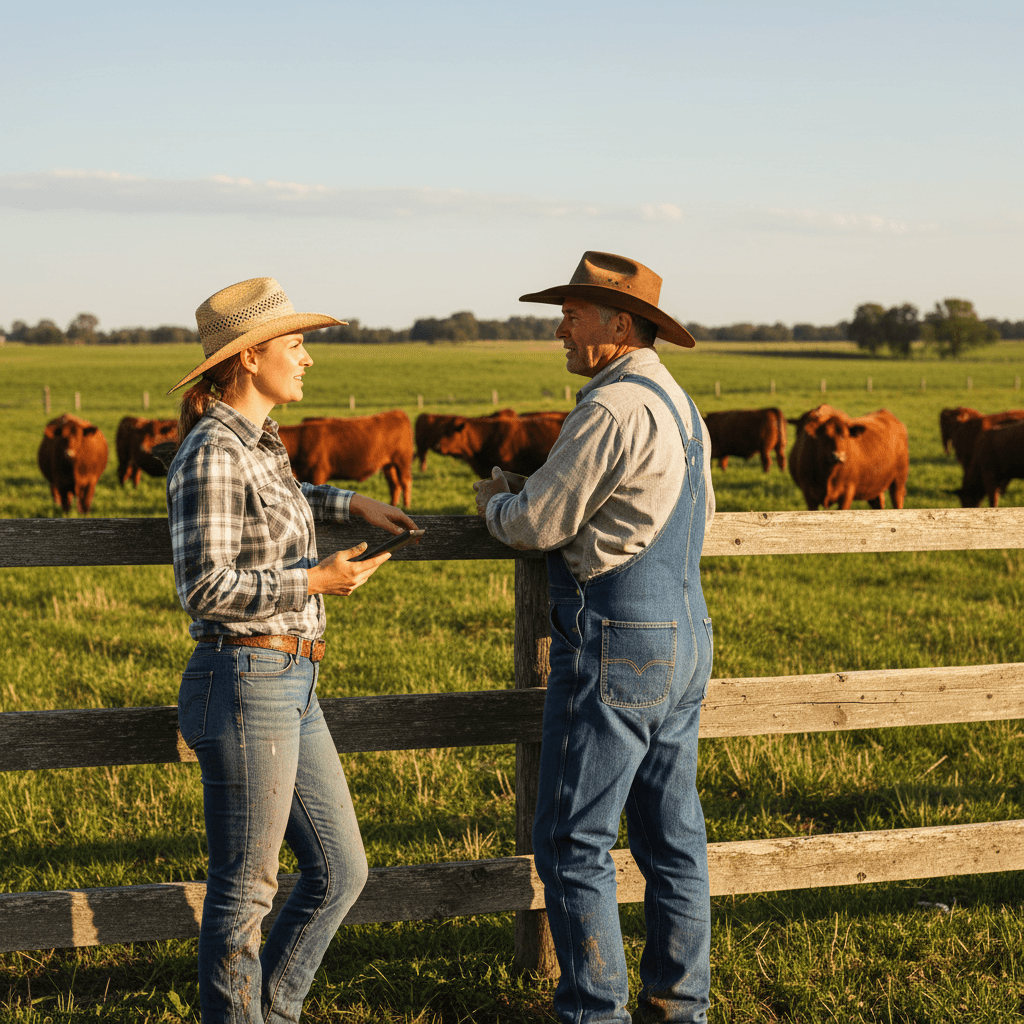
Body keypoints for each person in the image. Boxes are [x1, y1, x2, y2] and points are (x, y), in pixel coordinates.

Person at [165, 277, 417, 1023]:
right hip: (246, 678)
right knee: (247, 890)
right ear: (249, 359)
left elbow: (281, 496)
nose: (307, 359)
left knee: (341, 870)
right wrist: (315, 579)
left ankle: (268, 1013)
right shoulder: (212, 448)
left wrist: (349, 502)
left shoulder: (257, 443)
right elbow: (204, 587)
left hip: (287, 681)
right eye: (296, 344)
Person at [473, 252, 716, 1023]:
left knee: (572, 840)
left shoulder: (610, 408)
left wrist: (493, 501)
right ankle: (681, 1006)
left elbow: (538, 524)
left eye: (572, 314)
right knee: (673, 837)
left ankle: (594, 1010)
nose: (559, 329)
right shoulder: (678, 405)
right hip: (685, 632)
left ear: (619, 324)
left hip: (617, 636)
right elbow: (697, 516)